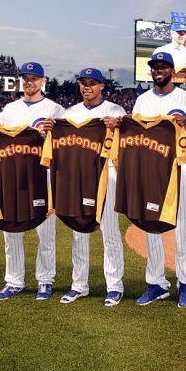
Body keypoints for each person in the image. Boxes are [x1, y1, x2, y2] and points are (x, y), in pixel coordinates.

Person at [0, 62, 64, 301]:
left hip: (43, 176)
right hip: (14, 175)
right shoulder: (10, 108)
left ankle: (45, 281)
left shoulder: (55, 109)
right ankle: (14, 281)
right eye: (25, 78)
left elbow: (64, 144)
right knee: (11, 232)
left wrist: (51, 134)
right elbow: (2, 138)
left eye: (34, 78)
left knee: (45, 232)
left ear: (42, 81)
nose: (29, 82)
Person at [127, 51, 186, 308]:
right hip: (148, 170)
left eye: (163, 66)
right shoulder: (141, 101)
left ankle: (185, 282)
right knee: (151, 227)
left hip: (178, 168)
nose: (159, 70)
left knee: (182, 230)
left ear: (172, 70)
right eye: (155, 66)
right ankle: (156, 283)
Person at [57, 68, 126, 306]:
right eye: (83, 83)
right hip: (79, 175)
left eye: (92, 83)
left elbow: (126, 144)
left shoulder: (116, 110)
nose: (87, 87)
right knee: (79, 231)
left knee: (110, 232)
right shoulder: (70, 112)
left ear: (102, 86)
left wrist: (117, 126)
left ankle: (115, 286)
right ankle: (79, 285)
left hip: (108, 172)